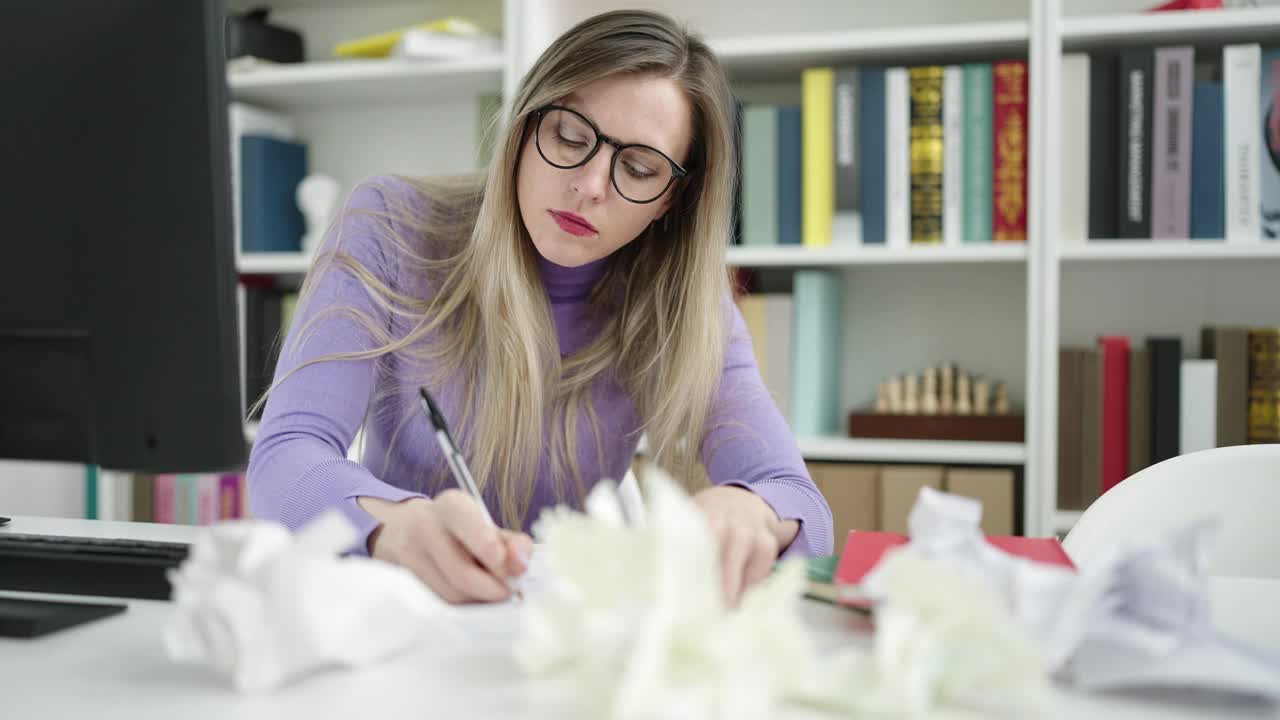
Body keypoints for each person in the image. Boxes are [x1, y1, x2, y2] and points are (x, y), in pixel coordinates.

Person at [247, 9, 833, 608]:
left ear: (670, 199)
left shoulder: (679, 297)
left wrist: (752, 510)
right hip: (400, 613)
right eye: (571, 137)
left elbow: (802, 505)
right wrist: (394, 527)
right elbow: (285, 459)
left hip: (563, 630)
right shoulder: (391, 226)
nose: (591, 185)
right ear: (525, 126)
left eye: (638, 167)